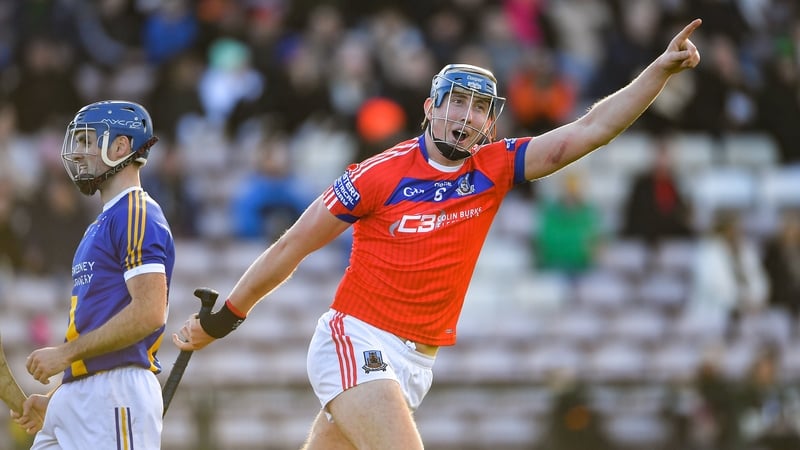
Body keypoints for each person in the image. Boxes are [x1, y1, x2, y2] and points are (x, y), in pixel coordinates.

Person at [176, 19, 703, 449]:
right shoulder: (378, 174)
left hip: (415, 362)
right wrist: (225, 317)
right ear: (431, 106)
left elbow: (589, 130)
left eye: (479, 107)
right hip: (358, 340)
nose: (466, 115)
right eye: (457, 100)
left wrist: (658, 71)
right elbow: (293, 245)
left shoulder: (494, 168)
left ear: (489, 121)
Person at [10, 100, 175, 450]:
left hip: (115, 395)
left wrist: (64, 355)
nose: (80, 153)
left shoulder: (136, 212)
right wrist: (59, 394)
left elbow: (149, 312)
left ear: (120, 147)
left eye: (89, 141)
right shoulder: (99, 224)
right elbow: (97, 324)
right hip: (79, 396)